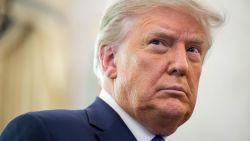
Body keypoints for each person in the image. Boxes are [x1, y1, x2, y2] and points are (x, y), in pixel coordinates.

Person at [0, 0, 223, 140]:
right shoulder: (44, 133)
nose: (182, 65)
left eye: (193, 49)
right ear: (110, 59)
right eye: (158, 42)